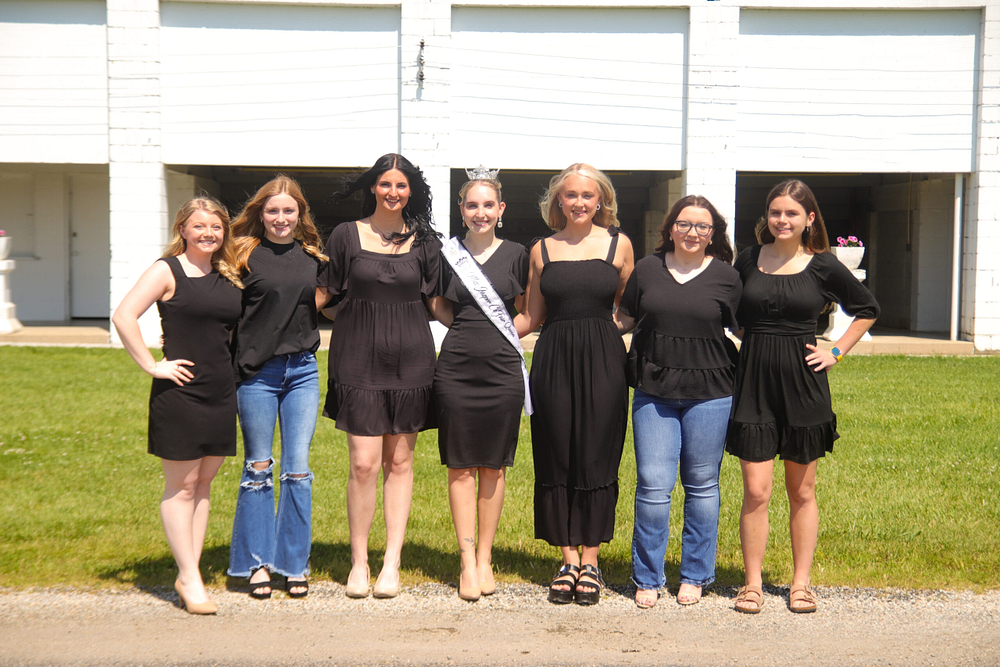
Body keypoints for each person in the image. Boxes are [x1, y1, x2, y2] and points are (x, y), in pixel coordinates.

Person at [727, 179, 879, 615]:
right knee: (756, 490)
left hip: (804, 385)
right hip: (754, 382)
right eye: (776, 212)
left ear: (809, 218)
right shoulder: (748, 259)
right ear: (767, 217)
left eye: (792, 213)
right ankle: (752, 584)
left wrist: (836, 351)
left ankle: (801, 584)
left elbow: (867, 309)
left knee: (802, 490)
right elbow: (731, 312)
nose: (782, 220)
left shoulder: (824, 265)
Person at [319, 153, 446, 599]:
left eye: (402, 185)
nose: (393, 192)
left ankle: (392, 561)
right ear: (373, 186)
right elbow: (323, 294)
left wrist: (488, 328)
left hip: (412, 361)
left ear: (411, 191)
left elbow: (438, 304)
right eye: (386, 183)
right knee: (363, 463)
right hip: (357, 359)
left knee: (400, 462)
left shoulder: (426, 242)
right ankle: (359, 562)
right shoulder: (345, 235)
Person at [112, 197, 243, 615]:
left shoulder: (228, 272)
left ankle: (191, 573)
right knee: (181, 486)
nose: (208, 233)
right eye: (199, 226)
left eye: (216, 227)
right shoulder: (166, 270)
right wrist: (153, 365)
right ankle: (188, 577)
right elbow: (124, 316)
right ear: (182, 230)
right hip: (181, 392)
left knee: (203, 483)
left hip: (220, 390)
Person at [513, 163, 634, 605]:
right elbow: (531, 315)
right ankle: (567, 560)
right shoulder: (541, 249)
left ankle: (592, 561)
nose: (579, 202)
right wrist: (485, 332)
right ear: (558, 201)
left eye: (587, 195)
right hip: (553, 359)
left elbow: (628, 310)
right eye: (571, 195)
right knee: (556, 452)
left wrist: (602, 333)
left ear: (601, 200)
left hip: (604, 359)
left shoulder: (620, 245)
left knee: (597, 455)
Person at [614, 195, 742, 609]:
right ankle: (648, 576)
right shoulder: (647, 269)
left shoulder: (727, 277)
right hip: (654, 390)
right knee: (653, 484)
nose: (692, 232)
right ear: (670, 228)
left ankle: (695, 574)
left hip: (712, 393)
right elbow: (623, 318)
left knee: (702, 485)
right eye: (684, 224)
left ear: (713, 233)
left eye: (702, 226)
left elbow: (746, 330)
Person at [227, 175, 327, 600]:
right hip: (257, 375)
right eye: (273, 210)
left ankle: (294, 564)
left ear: (300, 214)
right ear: (261, 213)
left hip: (302, 371)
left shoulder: (313, 257)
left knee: (298, 470)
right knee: (258, 468)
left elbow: (323, 299)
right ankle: (256, 565)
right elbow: (219, 307)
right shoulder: (241, 254)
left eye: (289, 210)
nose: (281, 218)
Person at [433, 168, 530, 601]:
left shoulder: (518, 254)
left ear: (501, 209)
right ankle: (466, 560)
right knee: (460, 465)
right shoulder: (447, 255)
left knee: (493, 464)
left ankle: (486, 557)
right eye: (472, 205)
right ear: (461, 210)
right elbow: (438, 304)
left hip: (502, 369)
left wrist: (500, 335)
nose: (480, 213)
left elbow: (528, 310)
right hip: (456, 367)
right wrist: (467, 331)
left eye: (488, 205)